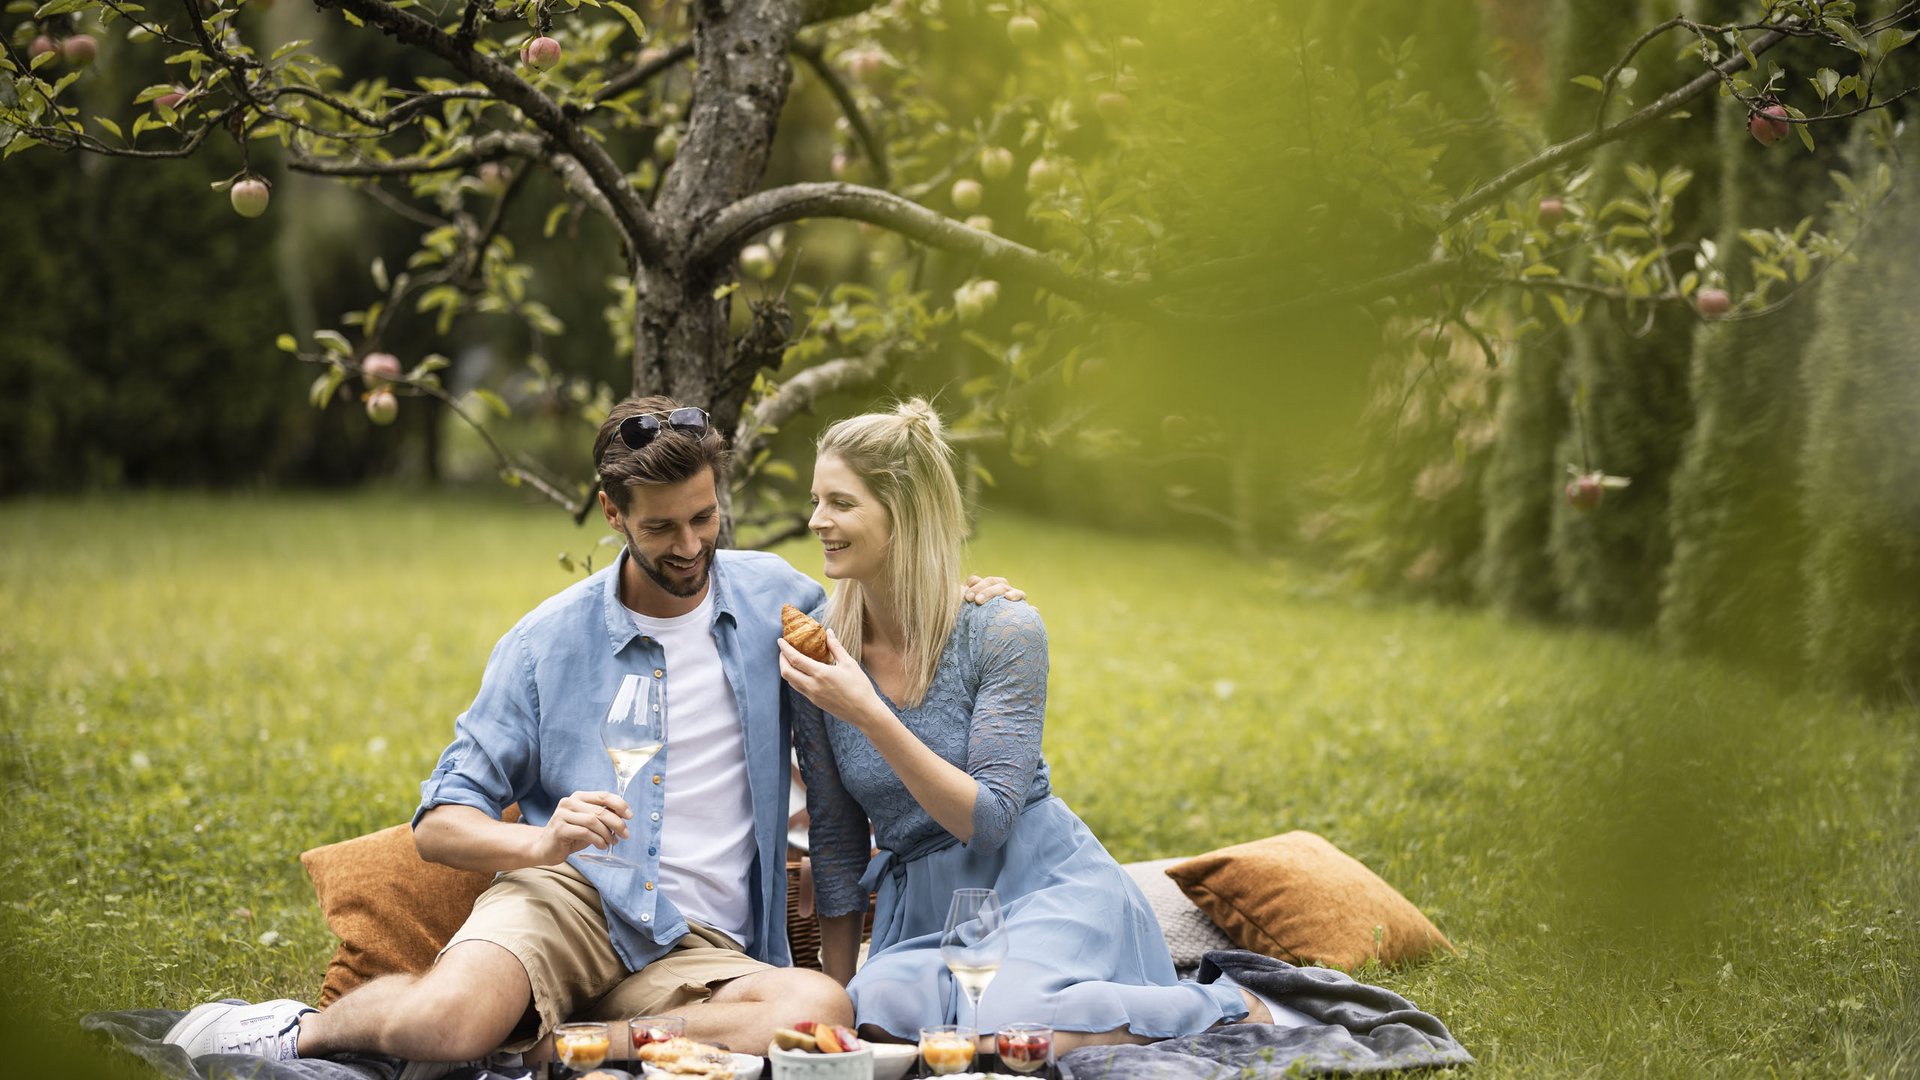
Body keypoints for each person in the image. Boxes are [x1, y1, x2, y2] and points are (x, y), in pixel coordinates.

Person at [165, 396, 1023, 1068]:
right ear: (612, 515)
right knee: (447, 1019)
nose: (691, 547)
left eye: (704, 517)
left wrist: (971, 595)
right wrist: (541, 844)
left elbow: (884, 593)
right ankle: (296, 1034)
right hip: (569, 901)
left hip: (706, 946)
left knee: (818, 1010)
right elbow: (438, 824)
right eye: (661, 528)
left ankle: (544, 1053)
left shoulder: (778, 599)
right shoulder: (545, 643)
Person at [778, 400, 1273, 1053]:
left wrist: (868, 712)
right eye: (816, 500)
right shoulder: (822, 653)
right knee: (880, 1012)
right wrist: (835, 1012)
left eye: (840, 503)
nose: (817, 521)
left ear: (905, 513)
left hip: (1040, 885)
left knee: (1013, 1032)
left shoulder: (1003, 630)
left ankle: (1224, 1004)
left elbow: (988, 821)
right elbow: (838, 845)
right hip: (923, 912)